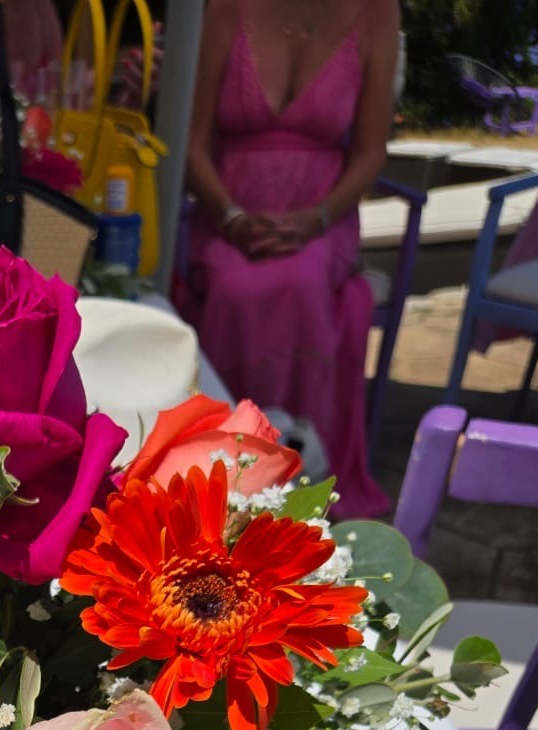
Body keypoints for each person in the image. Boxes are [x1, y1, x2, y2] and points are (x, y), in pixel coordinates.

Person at [184, 0, 399, 520]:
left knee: (301, 283)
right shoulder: (224, 9)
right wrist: (231, 216)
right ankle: (220, 474)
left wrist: (315, 219)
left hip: (323, 216)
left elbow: (371, 152)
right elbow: (190, 143)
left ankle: (295, 479)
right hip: (228, 210)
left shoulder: (377, 12)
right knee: (236, 290)